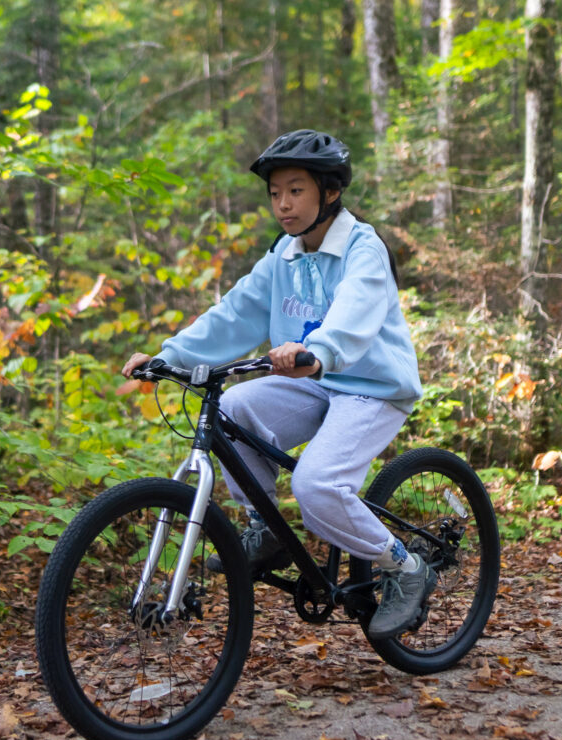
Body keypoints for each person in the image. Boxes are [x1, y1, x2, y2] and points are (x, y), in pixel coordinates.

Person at [121, 129, 430, 640]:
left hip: (370, 386)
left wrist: (319, 351)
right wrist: (168, 356)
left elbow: (353, 312)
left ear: (330, 192)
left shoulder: (362, 248)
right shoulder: (283, 254)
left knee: (316, 485)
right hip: (312, 380)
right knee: (232, 409)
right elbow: (235, 313)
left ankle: (406, 567)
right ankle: (267, 531)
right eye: (275, 193)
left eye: (295, 190)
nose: (282, 204)